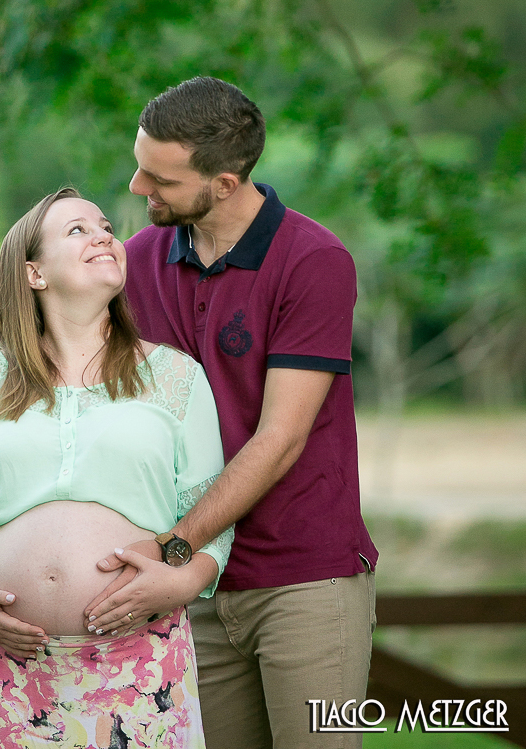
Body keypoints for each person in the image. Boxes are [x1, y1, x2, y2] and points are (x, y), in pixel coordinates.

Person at [84, 78, 377, 749]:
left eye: (160, 178)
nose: (136, 186)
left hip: (303, 579)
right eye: (139, 165)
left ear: (223, 183)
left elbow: (280, 438)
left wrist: (176, 546)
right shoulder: (135, 263)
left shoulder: (314, 261)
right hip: (189, 589)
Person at [0, 186, 233, 749]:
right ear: (34, 273)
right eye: (78, 230)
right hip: (5, 672)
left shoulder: (176, 376)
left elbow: (211, 518)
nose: (104, 236)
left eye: (106, 227)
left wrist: (181, 582)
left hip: (137, 665)